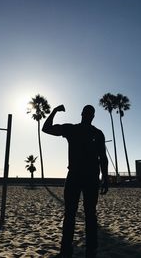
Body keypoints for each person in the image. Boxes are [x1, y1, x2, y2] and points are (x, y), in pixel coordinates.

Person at [42, 104, 108, 258]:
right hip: (78, 177)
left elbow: (103, 157)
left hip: (88, 178)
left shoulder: (95, 133)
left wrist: (105, 178)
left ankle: (86, 250)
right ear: (85, 114)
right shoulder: (74, 129)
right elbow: (46, 129)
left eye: (89, 113)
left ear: (89, 115)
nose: (88, 115)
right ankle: (69, 250)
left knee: (85, 214)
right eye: (87, 113)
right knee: (75, 214)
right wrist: (54, 111)